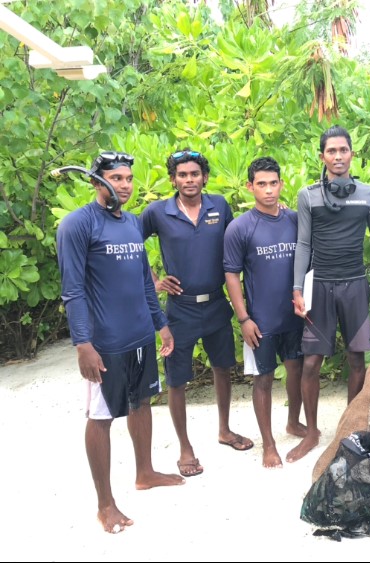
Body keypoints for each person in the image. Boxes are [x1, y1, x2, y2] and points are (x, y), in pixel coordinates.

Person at [56, 150, 185, 534]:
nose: (125, 185)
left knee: (142, 402)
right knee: (101, 417)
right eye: (116, 178)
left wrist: (160, 324)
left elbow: (145, 280)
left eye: (129, 178)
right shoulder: (76, 226)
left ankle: (144, 472)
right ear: (97, 182)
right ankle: (105, 504)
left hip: (141, 335)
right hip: (105, 342)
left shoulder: (130, 223)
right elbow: (73, 291)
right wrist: (83, 343)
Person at [140, 149, 252, 479]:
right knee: (176, 381)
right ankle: (185, 448)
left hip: (217, 303)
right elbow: (131, 243)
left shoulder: (219, 206)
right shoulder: (157, 212)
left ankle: (225, 430)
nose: (189, 180)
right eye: (182, 175)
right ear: (173, 179)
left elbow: (238, 240)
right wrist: (154, 281)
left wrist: (277, 211)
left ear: (204, 177)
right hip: (181, 309)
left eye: (194, 174)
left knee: (222, 368)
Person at [289, 125, 370, 463]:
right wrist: (298, 288)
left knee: (357, 358)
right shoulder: (308, 196)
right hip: (320, 285)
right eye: (330, 151)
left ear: (352, 154)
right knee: (312, 362)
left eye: (343, 150)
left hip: (356, 285)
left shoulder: (369, 194)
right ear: (322, 156)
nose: (337, 156)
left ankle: (351, 427)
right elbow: (303, 243)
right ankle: (313, 431)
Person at [224, 157, 305, 468]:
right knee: (264, 378)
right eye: (261, 184)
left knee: (295, 369)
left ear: (281, 184)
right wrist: (244, 319)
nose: (269, 190)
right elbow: (231, 275)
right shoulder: (240, 228)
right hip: (261, 320)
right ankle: (268, 444)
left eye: (274, 183)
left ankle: (294, 422)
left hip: (294, 316)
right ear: (250, 187)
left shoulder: (295, 220)